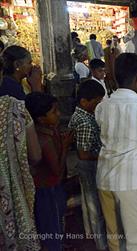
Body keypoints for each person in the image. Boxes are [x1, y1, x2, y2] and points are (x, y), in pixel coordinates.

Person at [95, 53, 137, 251]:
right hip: (130, 180)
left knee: (113, 235)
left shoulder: (102, 106)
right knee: (136, 239)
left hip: (104, 178)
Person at [0, 56, 42, 250]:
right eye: (27, 62)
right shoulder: (13, 105)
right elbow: (35, 155)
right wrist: (36, 85)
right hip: (10, 188)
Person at [25, 92, 73, 251]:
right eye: (53, 112)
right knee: (51, 228)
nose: (58, 114)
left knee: (56, 223)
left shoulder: (50, 130)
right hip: (48, 190)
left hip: (53, 189)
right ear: (40, 118)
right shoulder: (43, 140)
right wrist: (65, 146)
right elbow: (58, 172)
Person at [68, 80, 107, 250]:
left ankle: (90, 231)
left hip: (88, 164)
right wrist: (103, 156)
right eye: (96, 102)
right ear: (84, 101)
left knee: (89, 200)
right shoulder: (85, 122)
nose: (99, 105)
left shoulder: (83, 114)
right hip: (89, 165)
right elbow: (83, 154)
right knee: (95, 205)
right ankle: (101, 243)